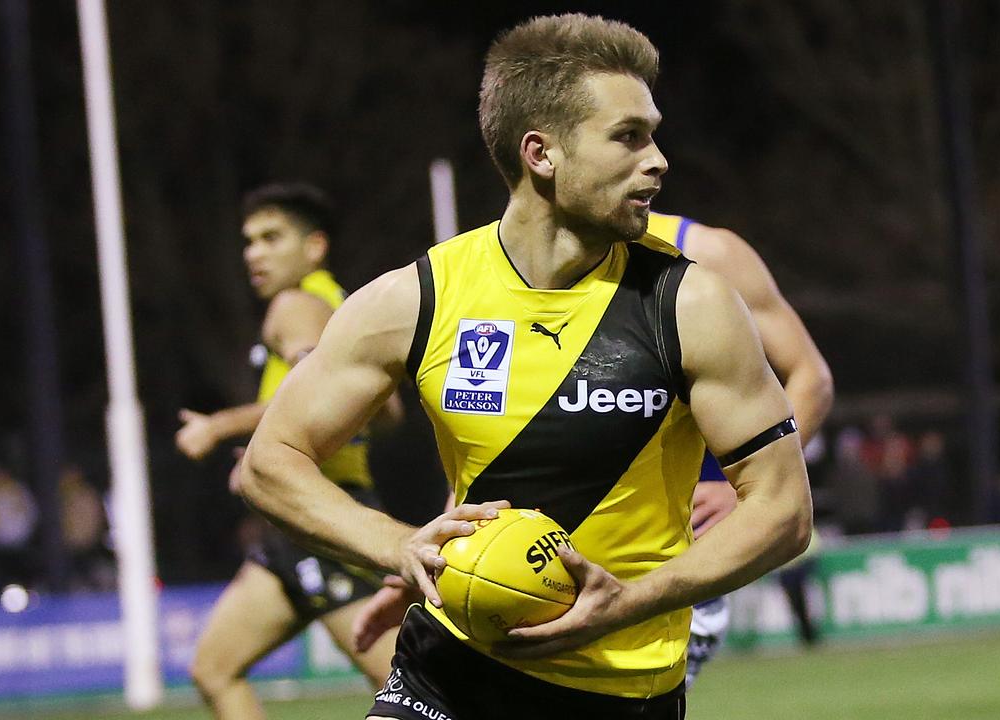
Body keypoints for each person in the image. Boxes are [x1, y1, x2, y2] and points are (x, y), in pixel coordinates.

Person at [239, 14, 813, 720]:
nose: (658, 159)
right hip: (443, 674)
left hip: (621, 694)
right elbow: (271, 460)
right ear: (541, 153)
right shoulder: (418, 297)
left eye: (653, 134)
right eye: (628, 136)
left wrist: (630, 602)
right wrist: (397, 547)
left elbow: (784, 511)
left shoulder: (691, 304)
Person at [175, 182, 403, 719]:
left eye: (271, 238)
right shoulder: (343, 307)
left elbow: (310, 388)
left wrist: (218, 427)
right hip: (291, 524)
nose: (254, 253)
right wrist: (285, 451)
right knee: (215, 668)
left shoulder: (294, 305)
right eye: (249, 241)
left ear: (314, 247)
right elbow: (386, 413)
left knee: (410, 688)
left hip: (323, 518)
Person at [646, 212, 833, 684]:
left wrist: (747, 489)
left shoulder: (710, 254)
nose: (652, 161)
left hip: (674, 554)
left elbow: (811, 378)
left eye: (643, 137)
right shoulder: (514, 269)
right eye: (625, 136)